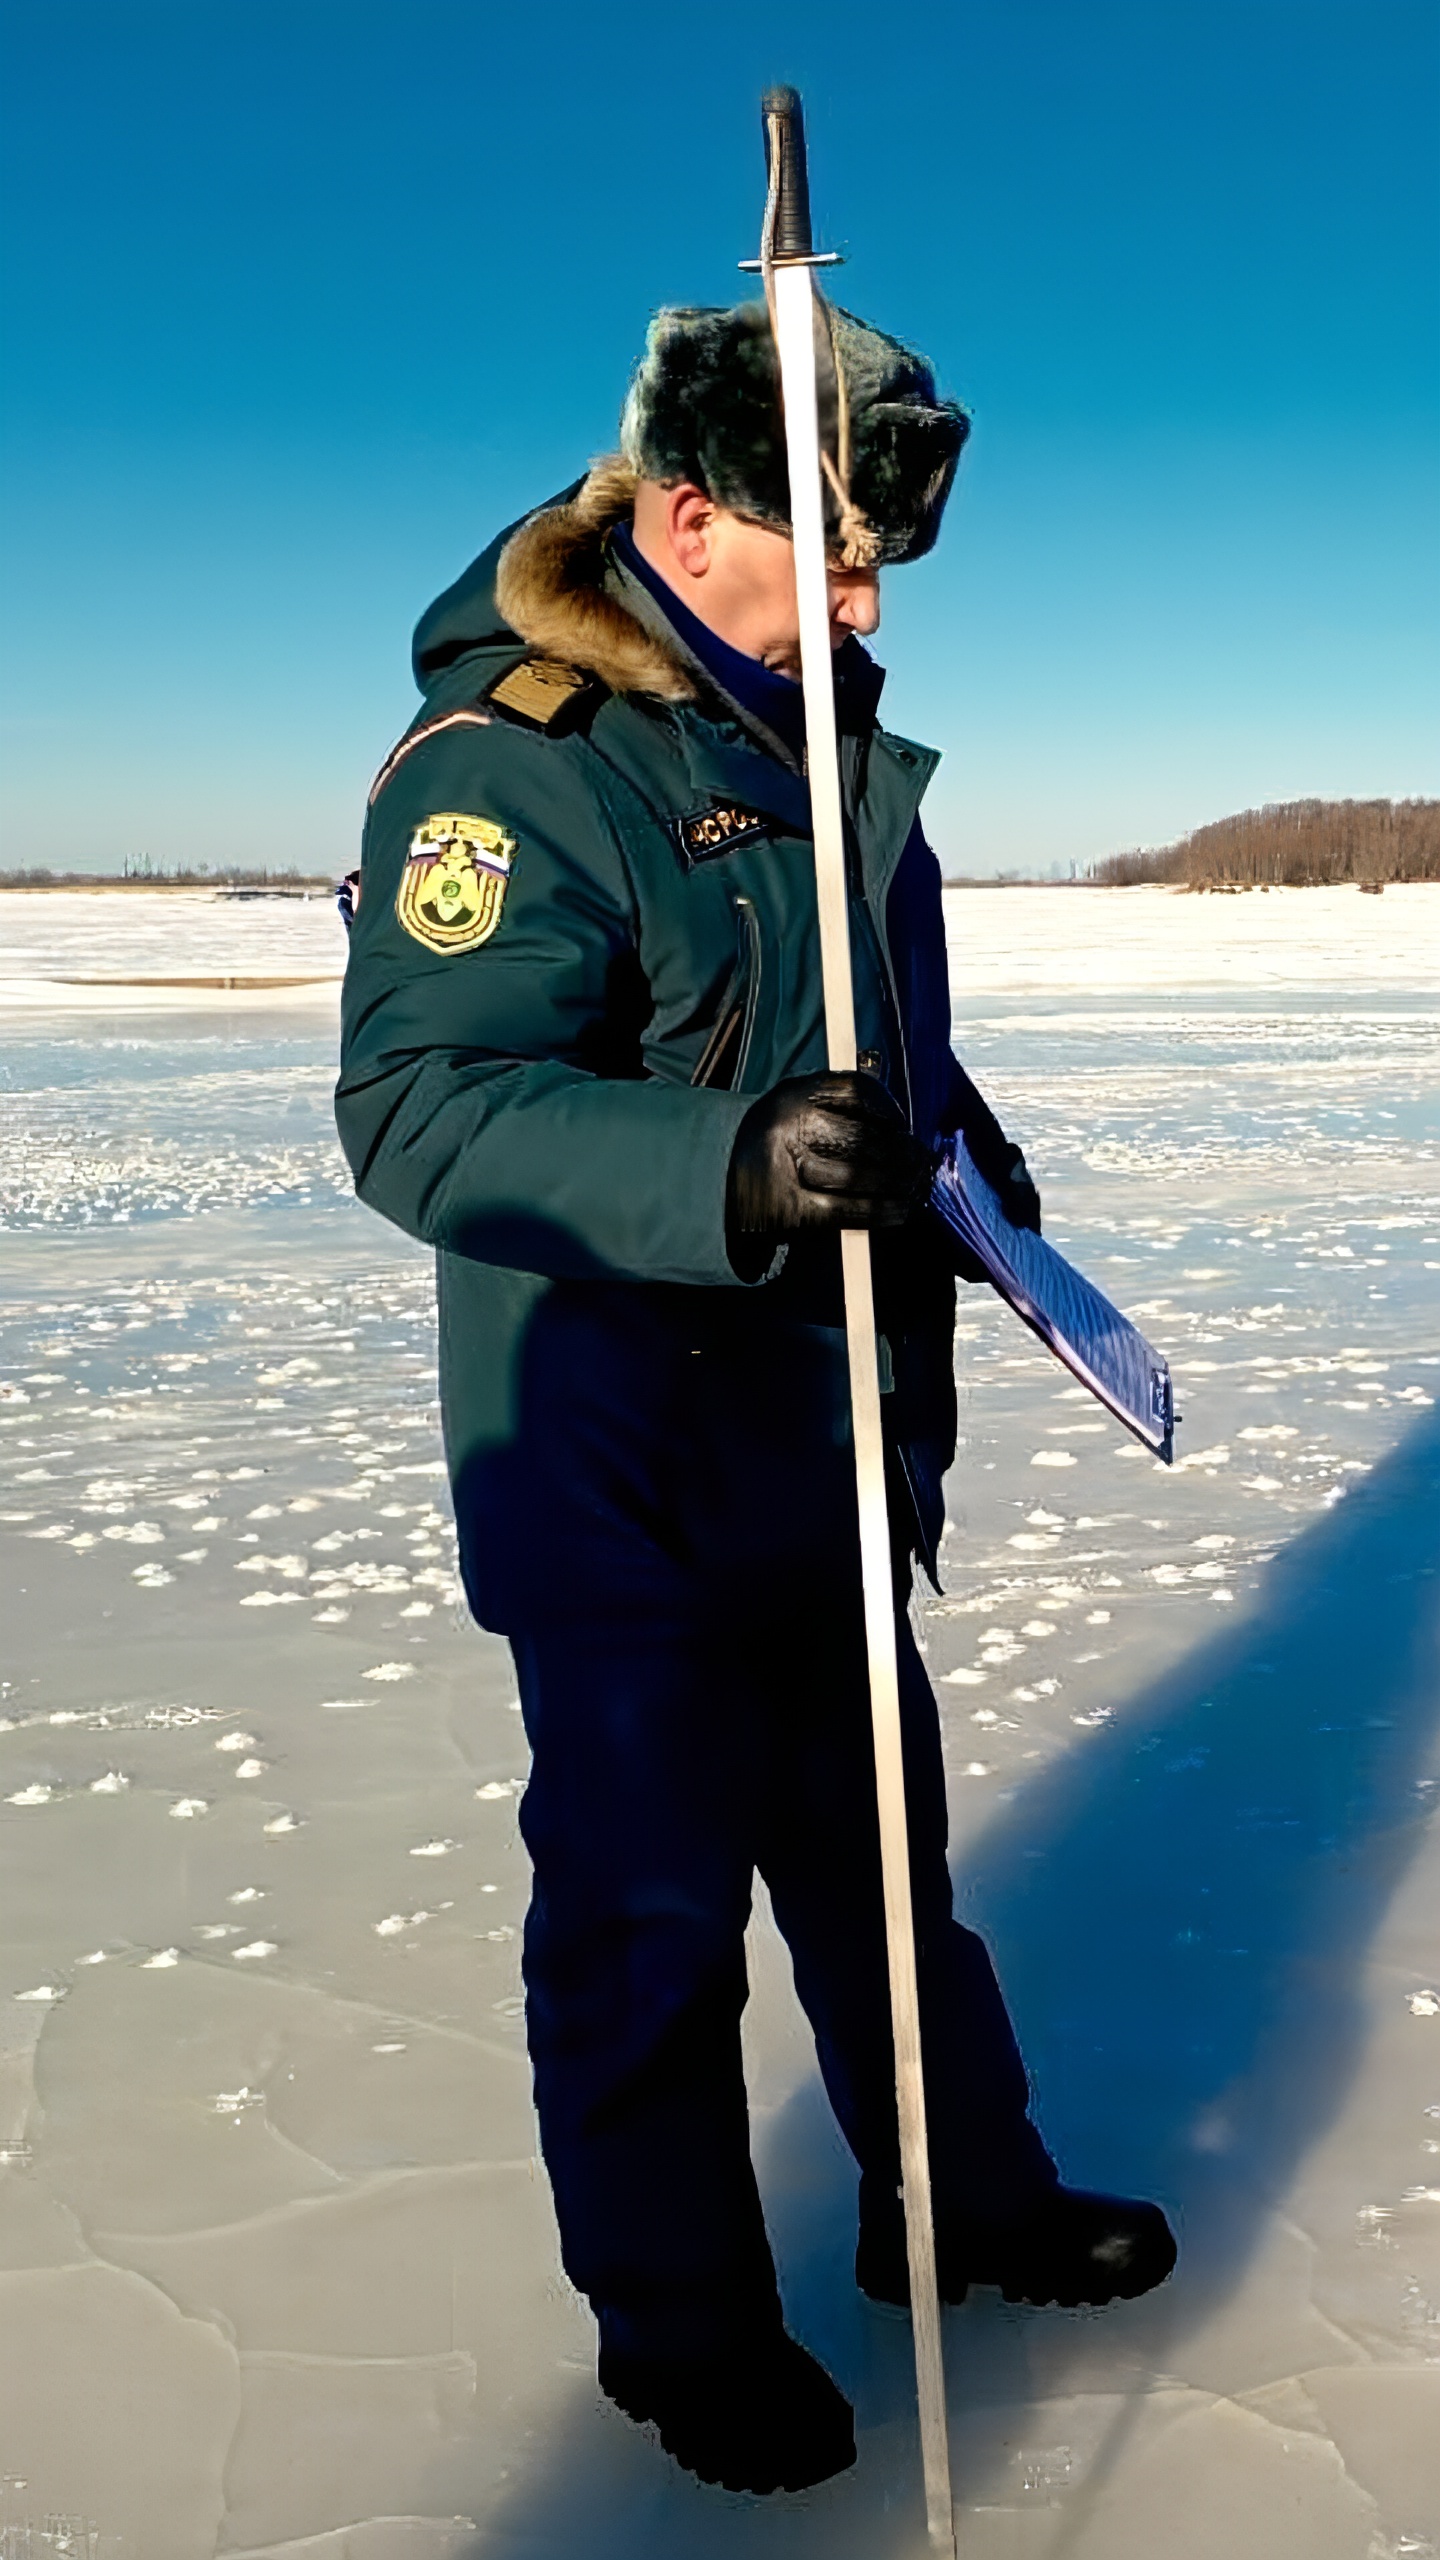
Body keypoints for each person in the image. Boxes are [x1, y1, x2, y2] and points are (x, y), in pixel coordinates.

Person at [335, 298, 1176, 2497]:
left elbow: (858, 1031)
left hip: (825, 1436)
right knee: (644, 1915)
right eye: (846, 556)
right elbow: (423, 1108)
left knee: (885, 1869)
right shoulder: (517, 759)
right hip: (617, 1460)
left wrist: (965, 1164)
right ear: (694, 516)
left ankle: (960, 2206)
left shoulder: (826, 745)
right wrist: (724, 1163)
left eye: (890, 561)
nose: (874, 605)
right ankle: (681, 2326)